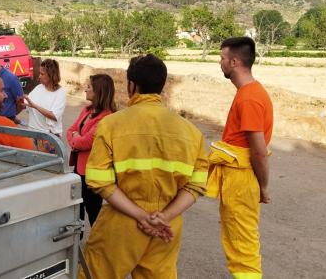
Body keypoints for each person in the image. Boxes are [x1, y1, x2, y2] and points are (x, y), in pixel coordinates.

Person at [81, 54, 209, 279]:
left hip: (121, 221)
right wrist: (163, 217)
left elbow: (98, 180)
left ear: (132, 85)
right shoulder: (191, 132)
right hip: (166, 226)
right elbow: (196, 186)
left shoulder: (110, 125)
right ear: (161, 85)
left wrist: (141, 216)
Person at [208, 37, 273, 279]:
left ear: (234, 62)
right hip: (239, 177)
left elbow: (258, 150)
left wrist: (264, 186)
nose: (220, 62)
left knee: (241, 243)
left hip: (241, 179)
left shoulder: (249, 98)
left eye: (223, 58)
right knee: (238, 239)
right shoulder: (249, 93)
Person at [65, 74, 116, 227]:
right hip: (79, 169)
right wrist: (76, 137)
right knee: (76, 209)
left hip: (92, 172)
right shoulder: (87, 110)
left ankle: (100, 246)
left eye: (89, 87)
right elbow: (70, 130)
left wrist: (75, 138)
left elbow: (86, 142)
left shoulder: (106, 117)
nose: (85, 89)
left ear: (99, 91)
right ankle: (77, 243)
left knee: (93, 212)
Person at [24, 59, 66, 152]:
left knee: (47, 165)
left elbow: (54, 116)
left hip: (48, 137)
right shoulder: (38, 88)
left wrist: (35, 106)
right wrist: (21, 101)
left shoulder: (60, 93)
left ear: (51, 75)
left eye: (42, 74)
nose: (39, 76)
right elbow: (27, 104)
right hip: (32, 134)